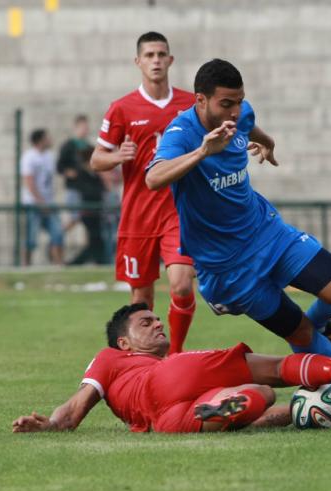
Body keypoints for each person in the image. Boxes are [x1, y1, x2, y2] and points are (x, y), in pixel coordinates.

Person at [144, 59, 331, 419]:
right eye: (226, 104)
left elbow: (252, 128)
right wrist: (204, 151)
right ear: (200, 101)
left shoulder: (240, 115)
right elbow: (154, 178)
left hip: (268, 233)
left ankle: (319, 327)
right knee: (297, 333)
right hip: (228, 268)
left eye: (239, 102)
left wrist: (267, 143)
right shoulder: (181, 134)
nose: (235, 112)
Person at [12, 303, 331, 434]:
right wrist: (55, 421)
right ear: (123, 342)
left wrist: (51, 428)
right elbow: (78, 405)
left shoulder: (135, 362)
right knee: (275, 371)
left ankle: (299, 412)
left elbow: (72, 415)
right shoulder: (113, 358)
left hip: (165, 422)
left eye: (158, 320)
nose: (157, 324)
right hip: (165, 380)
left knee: (259, 400)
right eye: (145, 323)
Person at [91, 31, 197, 355]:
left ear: (170, 60)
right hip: (138, 215)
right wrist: (118, 157)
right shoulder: (122, 108)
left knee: (181, 284)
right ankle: (143, 363)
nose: (155, 61)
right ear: (138, 62)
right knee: (141, 300)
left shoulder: (190, 104)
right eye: (149, 55)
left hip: (176, 211)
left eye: (161, 54)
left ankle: (175, 354)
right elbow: (97, 159)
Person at [21, 128, 64, 266]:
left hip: (49, 202)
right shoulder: (29, 157)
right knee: (31, 237)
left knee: (57, 232)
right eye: (47, 137)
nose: (50, 140)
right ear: (40, 140)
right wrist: (40, 202)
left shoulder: (50, 156)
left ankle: (58, 263)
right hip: (33, 203)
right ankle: (25, 265)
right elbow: (29, 181)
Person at [67, 147, 110, 266]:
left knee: (97, 239)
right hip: (88, 212)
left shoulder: (94, 175)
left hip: (97, 212)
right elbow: (88, 191)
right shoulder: (82, 174)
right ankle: (76, 263)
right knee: (94, 239)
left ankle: (100, 262)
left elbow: (102, 189)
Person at [56, 114, 91, 229]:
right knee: (74, 217)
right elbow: (59, 166)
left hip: (86, 189)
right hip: (74, 188)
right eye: (82, 127)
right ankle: (57, 239)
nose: (85, 130)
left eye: (86, 127)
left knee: (87, 219)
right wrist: (69, 172)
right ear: (76, 127)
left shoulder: (88, 146)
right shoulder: (68, 146)